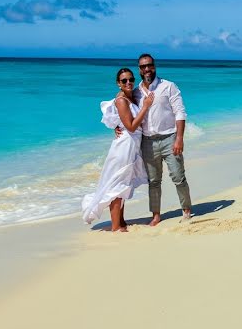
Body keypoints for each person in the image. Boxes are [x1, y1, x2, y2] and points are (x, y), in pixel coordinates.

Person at [82, 68, 155, 231]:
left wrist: (116, 125)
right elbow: (130, 126)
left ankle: (121, 221)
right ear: (118, 84)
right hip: (124, 146)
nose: (128, 83)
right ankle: (116, 226)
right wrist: (145, 106)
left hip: (131, 145)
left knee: (123, 183)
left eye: (131, 79)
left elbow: (118, 120)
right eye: (124, 81)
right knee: (118, 184)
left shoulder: (129, 97)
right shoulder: (122, 100)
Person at [133, 53, 193, 225]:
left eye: (149, 65)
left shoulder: (168, 86)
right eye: (143, 67)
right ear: (139, 69)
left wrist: (179, 138)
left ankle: (186, 210)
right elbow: (127, 111)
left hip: (169, 138)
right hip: (147, 142)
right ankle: (156, 215)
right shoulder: (136, 92)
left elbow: (180, 112)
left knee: (178, 176)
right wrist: (117, 127)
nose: (147, 69)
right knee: (153, 181)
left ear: (154, 66)